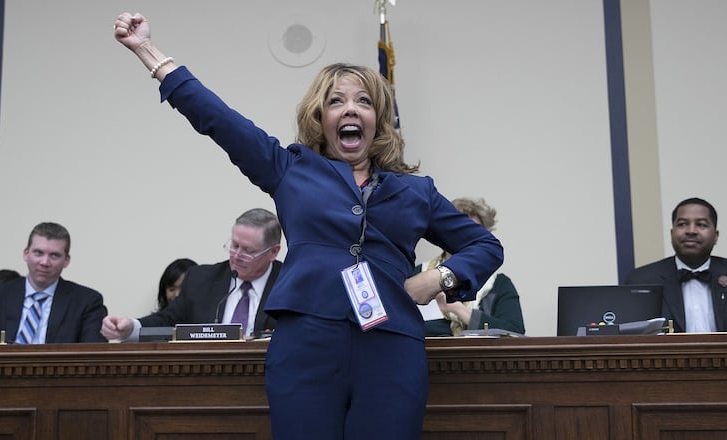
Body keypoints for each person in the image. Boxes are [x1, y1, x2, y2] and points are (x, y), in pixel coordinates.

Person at [113, 13, 503, 440]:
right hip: (306, 344)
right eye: (336, 101)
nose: (350, 109)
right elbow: (220, 120)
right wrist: (148, 52)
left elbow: (485, 246)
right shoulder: (290, 170)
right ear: (320, 117)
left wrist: (439, 278)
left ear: (378, 119)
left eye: (363, 101)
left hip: (391, 346)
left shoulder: (416, 190)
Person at [101, 208, 283, 341]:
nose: (236, 256)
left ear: (273, 252)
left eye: (248, 251)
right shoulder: (200, 278)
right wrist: (131, 327)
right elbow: (167, 320)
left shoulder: (291, 285)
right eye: (234, 245)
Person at [624, 197, 727, 333]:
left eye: (701, 224)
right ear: (672, 233)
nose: (691, 231)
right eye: (682, 224)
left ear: (716, 236)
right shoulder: (641, 280)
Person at [0, 222, 108, 343]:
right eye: (38, 253)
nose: (44, 262)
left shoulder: (86, 301)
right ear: (26, 254)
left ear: (66, 260)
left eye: (54, 255)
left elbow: (93, 354)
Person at [418, 197, 525, 336]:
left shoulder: (499, 284)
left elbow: (515, 332)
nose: (465, 238)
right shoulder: (419, 275)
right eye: (459, 231)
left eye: (472, 233)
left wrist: (459, 310)